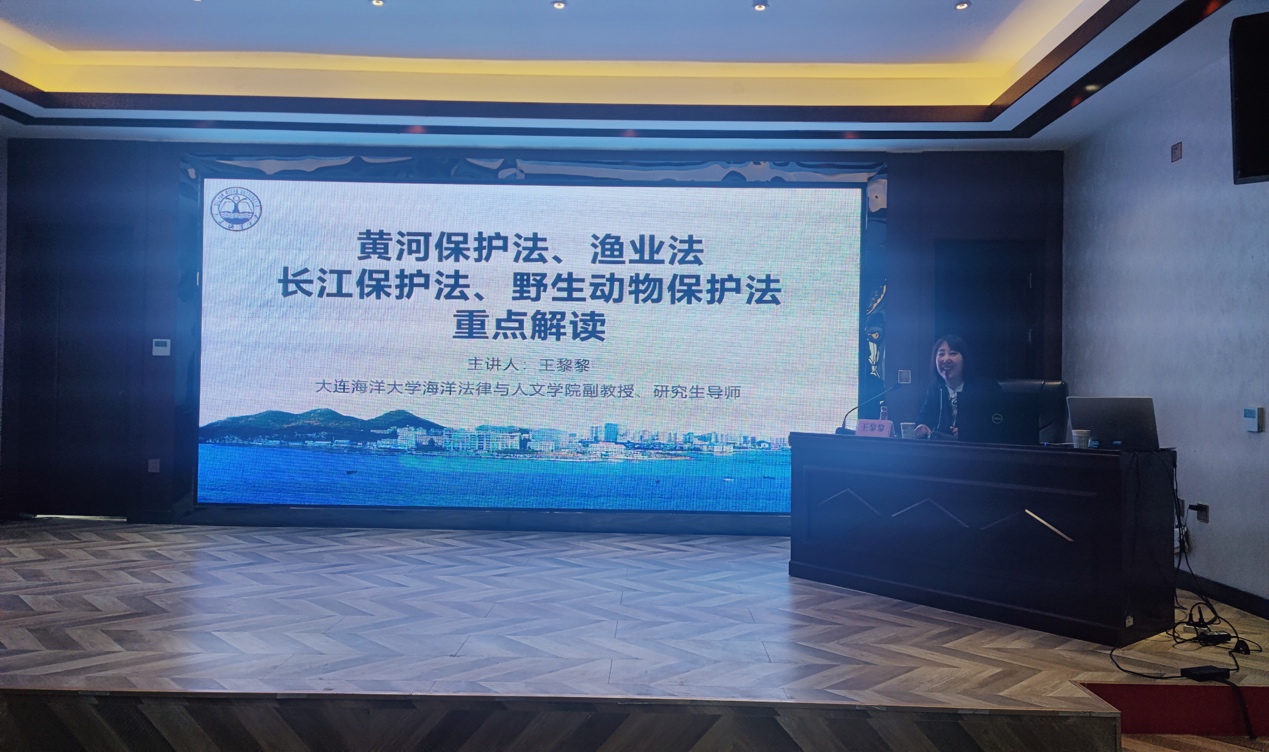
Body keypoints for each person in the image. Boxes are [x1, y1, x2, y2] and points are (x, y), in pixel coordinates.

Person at [913, 335, 1003, 441]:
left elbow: (997, 426)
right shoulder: (936, 389)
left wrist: (970, 432)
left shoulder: (985, 389)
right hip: (944, 449)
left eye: (952, 353)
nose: (946, 359)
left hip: (977, 448)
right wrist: (922, 427)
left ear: (964, 359)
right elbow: (923, 419)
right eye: (941, 354)